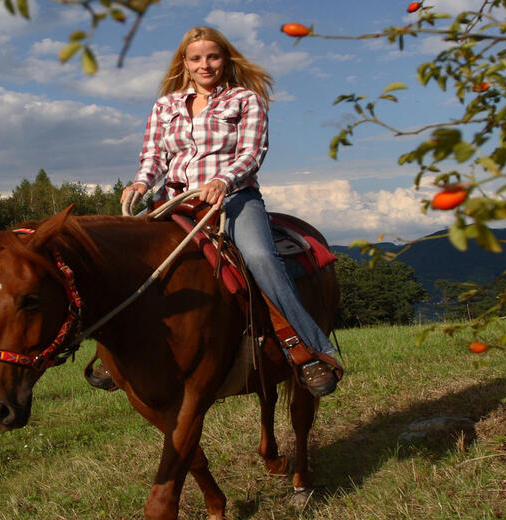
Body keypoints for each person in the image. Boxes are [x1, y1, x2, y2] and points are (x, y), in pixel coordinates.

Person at [120, 26, 342, 396]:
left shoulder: (245, 100)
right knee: (127, 257)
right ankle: (120, 356)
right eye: (196, 58)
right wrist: (141, 183)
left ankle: (311, 349)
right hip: (176, 200)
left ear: (225, 60)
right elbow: (154, 156)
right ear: (185, 64)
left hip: (234, 199)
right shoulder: (166, 105)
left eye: (213, 57)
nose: (205, 65)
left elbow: (252, 153)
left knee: (259, 256)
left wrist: (224, 181)